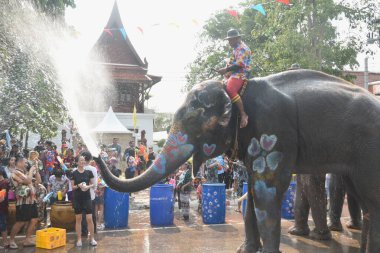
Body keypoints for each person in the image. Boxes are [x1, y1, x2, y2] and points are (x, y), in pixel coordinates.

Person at [217, 29, 252, 128]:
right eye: (228, 40)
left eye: (230, 40)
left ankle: (243, 114)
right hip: (233, 73)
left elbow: (240, 64)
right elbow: (231, 62)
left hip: (241, 73)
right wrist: (226, 71)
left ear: (237, 38)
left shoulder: (243, 48)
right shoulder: (235, 49)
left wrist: (226, 69)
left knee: (230, 89)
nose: (229, 42)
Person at [9, 155, 41, 249]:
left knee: (34, 219)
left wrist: (36, 169)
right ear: (19, 163)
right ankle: (11, 240)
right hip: (22, 201)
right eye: (25, 162)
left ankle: (27, 239)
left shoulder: (26, 172)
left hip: (31, 200)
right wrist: (31, 171)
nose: (26, 163)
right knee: (21, 221)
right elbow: (27, 181)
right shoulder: (15, 172)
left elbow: (38, 181)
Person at [71, 156, 97, 247]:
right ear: (77, 162)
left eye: (83, 160)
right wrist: (79, 185)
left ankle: (92, 238)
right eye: (80, 160)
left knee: (89, 219)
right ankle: (79, 239)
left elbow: (93, 184)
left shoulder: (88, 172)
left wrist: (87, 187)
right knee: (78, 219)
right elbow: (73, 187)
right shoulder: (74, 173)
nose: (82, 162)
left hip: (87, 198)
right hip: (77, 199)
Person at [0, 168, 10, 248]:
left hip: (1, 208)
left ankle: (5, 243)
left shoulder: (4, 183)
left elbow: (2, 197)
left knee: (2, 225)